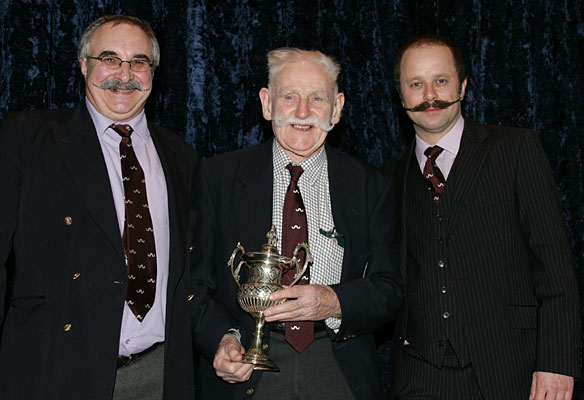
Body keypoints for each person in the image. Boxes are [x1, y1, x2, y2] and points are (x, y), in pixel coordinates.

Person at [0, 15, 196, 400]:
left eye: (139, 62)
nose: (124, 74)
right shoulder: (29, 138)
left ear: (153, 72)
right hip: (56, 366)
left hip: (159, 374)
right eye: (109, 59)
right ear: (84, 65)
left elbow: (194, 272)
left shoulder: (180, 156)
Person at [188, 47, 403, 399]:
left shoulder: (371, 185)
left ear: (337, 108)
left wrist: (333, 301)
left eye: (317, 98)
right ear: (267, 102)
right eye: (289, 96)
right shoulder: (218, 177)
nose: (303, 112)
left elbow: (389, 288)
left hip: (337, 366)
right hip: (245, 367)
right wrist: (221, 338)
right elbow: (193, 282)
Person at [383, 34, 580, 399]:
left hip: (512, 370)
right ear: (401, 95)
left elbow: (555, 268)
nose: (430, 94)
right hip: (419, 377)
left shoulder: (515, 150)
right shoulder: (387, 178)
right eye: (416, 84)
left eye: (441, 80)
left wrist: (557, 362)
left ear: (463, 85)